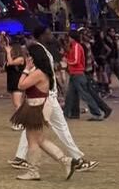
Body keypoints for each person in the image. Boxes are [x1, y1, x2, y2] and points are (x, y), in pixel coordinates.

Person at [8, 28, 93, 173]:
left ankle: (21, 158)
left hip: (43, 95)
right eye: (47, 33)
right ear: (41, 35)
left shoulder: (40, 49)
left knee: (33, 129)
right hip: (46, 96)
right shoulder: (38, 50)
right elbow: (33, 75)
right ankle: (76, 159)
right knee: (57, 129)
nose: (51, 35)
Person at [10, 45, 79, 181]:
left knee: (33, 141)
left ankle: (34, 171)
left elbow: (21, 85)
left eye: (29, 55)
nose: (27, 58)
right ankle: (65, 161)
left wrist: (26, 69)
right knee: (39, 139)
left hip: (36, 107)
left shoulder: (39, 73)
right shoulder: (41, 71)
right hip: (36, 105)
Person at [62, 30, 111, 120]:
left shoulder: (77, 46)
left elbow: (76, 60)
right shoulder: (77, 46)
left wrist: (67, 61)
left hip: (78, 73)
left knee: (85, 95)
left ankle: (96, 113)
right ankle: (70, 113)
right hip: (77, 73)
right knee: (71, 95)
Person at [5, 34, 26, 106]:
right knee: (15, 104)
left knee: (18, 104)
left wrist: (8, 53)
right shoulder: (11, 58)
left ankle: (21, 114)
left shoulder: (21, 58)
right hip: (11, 82)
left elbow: (11, 63)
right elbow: (6, 66)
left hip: (17, 82)